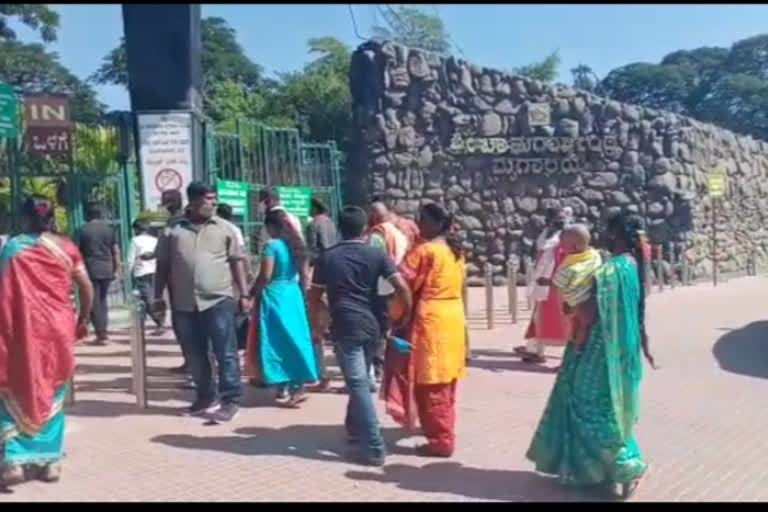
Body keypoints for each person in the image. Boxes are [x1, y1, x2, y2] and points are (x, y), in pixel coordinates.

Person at [526, 212, 655, 500]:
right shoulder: (632, 265)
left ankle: (626, 466)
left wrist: (574, 321)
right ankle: (599, 468)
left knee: (587, 406)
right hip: (621, 350)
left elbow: (587, 313)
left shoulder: (609, 271)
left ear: (613, 234)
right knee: (609, 406)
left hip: (598, 349)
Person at [0, 197, 94, 487]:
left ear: (25, 218)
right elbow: (86, 287)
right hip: (57, 331)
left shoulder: (13, 249)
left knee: (16, 387)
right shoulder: (67, 248)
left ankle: (14, 460)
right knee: (53, 391)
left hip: (19, 330)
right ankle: (51, 463)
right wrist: (83, 318)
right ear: (52, 218)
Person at [308, 206, 412, 467]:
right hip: (374, 326)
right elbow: (402, 287)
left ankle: (374, 446)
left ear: (340, 228)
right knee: (361, 378)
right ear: (365, 228)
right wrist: (402, 318)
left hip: (346, 326)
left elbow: (313, 297)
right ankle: (355, 429)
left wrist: (317, 325)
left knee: (358, 383)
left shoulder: (328, 258)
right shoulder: (377, 254)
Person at [153, 181, 249, 423]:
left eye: (214, 199)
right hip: (184, 303)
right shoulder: (172, 231)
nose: (214, 203)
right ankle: (205, 396)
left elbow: (237, 261)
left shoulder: (225, 228)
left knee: (225, 352)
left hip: (218, 300)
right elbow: (162, 266)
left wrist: (244, 295)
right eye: (209, 199)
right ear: (193, 201)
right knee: (195, 354)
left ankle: (231, 400)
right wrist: (157, 297)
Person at [382, 203, 466, 458]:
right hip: (452, 317)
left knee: (430, 383)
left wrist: (394, 316)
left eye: (421, 221)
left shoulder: (423, 252)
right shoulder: (456, 251)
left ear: (432, 224)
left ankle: (441, 440)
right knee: (446, 380)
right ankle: (444, 430)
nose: (418, 226)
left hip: (429, 321)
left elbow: (402, 288)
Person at [246, 210, 317, 407]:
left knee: (274, 341)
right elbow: (304, 276)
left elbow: (266, 276)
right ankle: (297, 385)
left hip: (274, 296)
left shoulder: (272, 245)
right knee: (295, 339)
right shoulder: (297, 246)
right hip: (292, 295)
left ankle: (282, 384)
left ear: (270, 227)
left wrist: (251, 293)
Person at [367, 199, 414, 386]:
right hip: (397, 283)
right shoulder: (398, 233)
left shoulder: (377, 234)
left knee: (378, 328)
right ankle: (392, 364)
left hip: (380, 286)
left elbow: (371, 262)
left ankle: (378, 367)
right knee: (389, 325)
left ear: (374, 215)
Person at [515, 207, 570, 364]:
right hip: (543, 282)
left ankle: (548, 352)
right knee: (539, 317)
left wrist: (555, 281)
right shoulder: (545, 235)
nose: (559, 222)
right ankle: (534, 349)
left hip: (556, 283)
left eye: (561, 219)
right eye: (555, 219)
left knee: (562, 319)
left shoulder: (567, 237)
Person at [537, 224, 602, 351]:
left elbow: (557, 284)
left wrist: (545, 281)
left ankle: (578, 351)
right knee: (582, 327)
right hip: (591, 298)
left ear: (575, 247)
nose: (561, 249)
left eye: (564, 246)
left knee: (579, 328)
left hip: (578, 303)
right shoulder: (594, 255)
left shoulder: (569, 268)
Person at [305, 197, 339, 392]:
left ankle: (321, 375)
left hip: (318, 278)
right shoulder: (331, 224)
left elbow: (314, 253)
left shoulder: (314, 225)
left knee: (315, 328)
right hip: (336, 278)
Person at [78, 203, 121, 345]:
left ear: (87, 215)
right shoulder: (109, 230)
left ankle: (101, 334)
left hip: (90, 268)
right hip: (107, 267)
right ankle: (103, 332)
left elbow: (77, 252)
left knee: (94, 301)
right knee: (102, 300)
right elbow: (115, 251)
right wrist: (117, 268)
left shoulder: (83, 230)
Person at [126, 220, 165, 334]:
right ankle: (154, 320)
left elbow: (130, 258)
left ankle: (159, 322)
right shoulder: (155, 240)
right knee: (155, 297)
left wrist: (127, 273)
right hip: (156, 271)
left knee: (147, 298)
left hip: (142, 272)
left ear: (136, 230)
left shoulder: (135, 240)